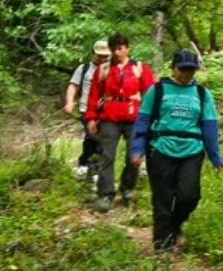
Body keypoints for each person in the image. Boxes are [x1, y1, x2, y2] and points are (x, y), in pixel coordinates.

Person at [129, 49, 223, 252]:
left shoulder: (202, 94)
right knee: (162, 197)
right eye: (182, 69)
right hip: (160, 149)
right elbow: (143, 121)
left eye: (191, 70)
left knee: (189, 196)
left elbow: (209, 126)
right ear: (173, 68)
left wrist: (215, 156)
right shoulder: (157, 91)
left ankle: (175, 224)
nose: (186, 74)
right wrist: (137, 149)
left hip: (192, 150)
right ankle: (162, 244)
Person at [84, 33, 155, 212]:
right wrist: (91, 118)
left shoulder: (140, 68)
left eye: (120, 48)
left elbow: (151, 94)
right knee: (107, 156)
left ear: (127, 48)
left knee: (135, 156)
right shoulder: (103, 70)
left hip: (135, 117)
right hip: (109, 116)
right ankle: (105, 194)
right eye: (113, 49)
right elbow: (93, 95)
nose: (117, 52)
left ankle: (127, 187)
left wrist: (152, 118)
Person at [64, 40, 110, 178]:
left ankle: (97, 168)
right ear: (92, 54)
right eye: (99, 56)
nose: (102, 59)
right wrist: (70, 102)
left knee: (104, 139)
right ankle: (85, 163)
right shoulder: (83, 69)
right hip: (87, 109)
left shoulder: (113, 70)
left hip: (107, 111)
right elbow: (73, 86)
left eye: (105, 56)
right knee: (91, 136)